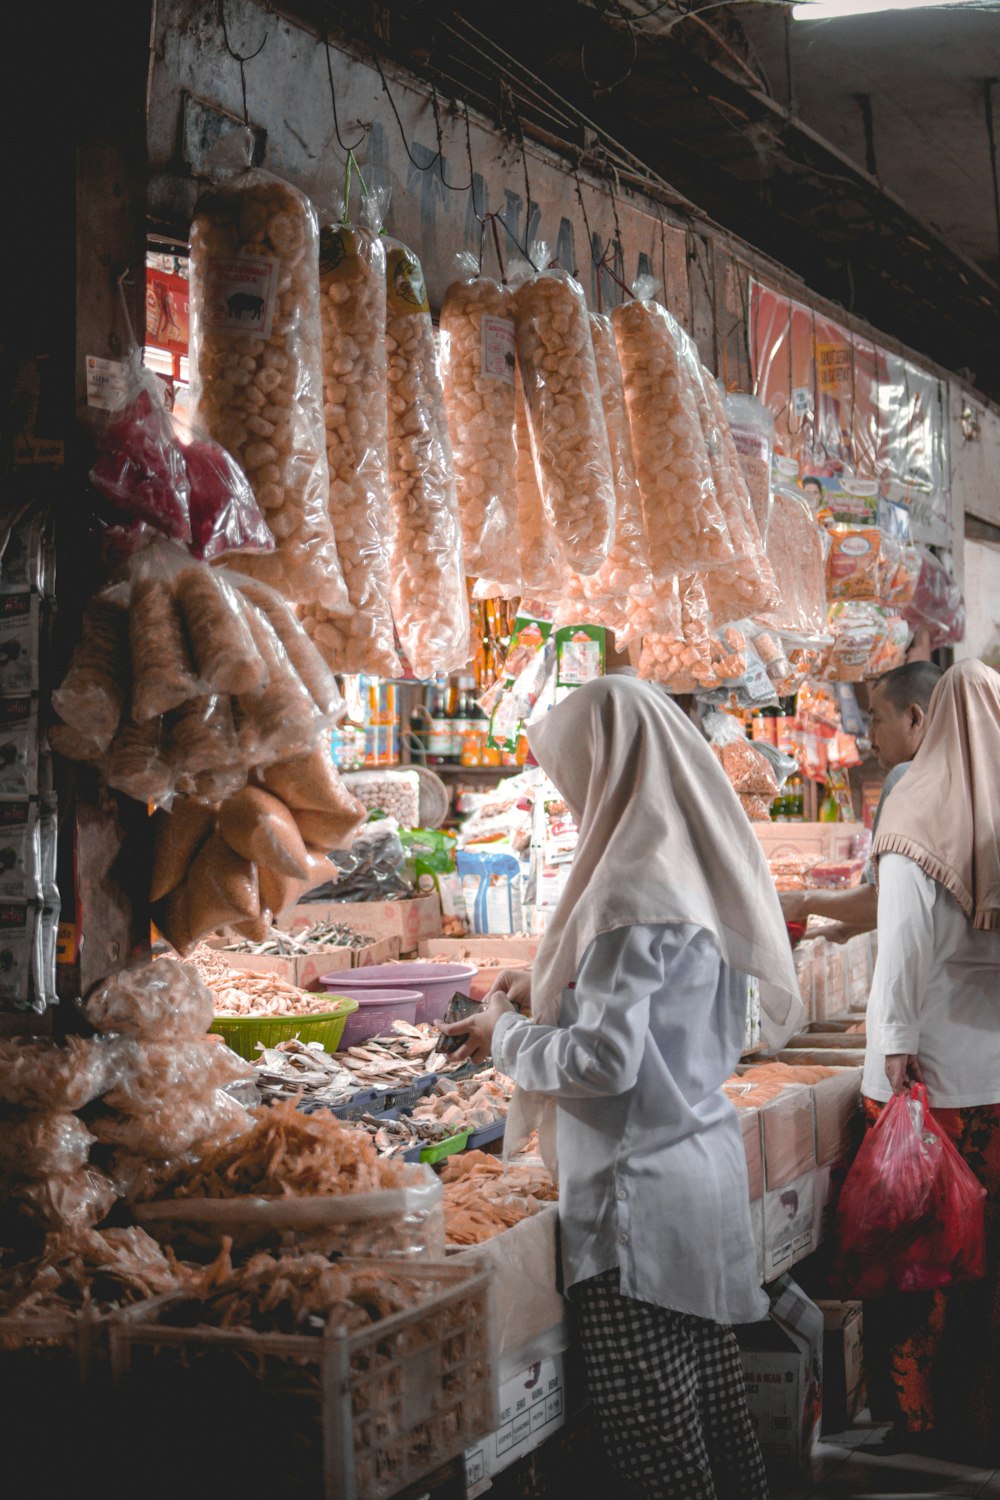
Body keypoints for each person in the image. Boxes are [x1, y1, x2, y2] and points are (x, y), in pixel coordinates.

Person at [440, 675, 804, 1500]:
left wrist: (506, 1036)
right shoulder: (685, 865)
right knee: (717, 1422)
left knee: (659, 1457)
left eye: (574, 779)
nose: (572, 802)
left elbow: (606, 1063)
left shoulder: (626, 891)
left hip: (636, 1208)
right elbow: (654, 1012)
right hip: (700, 1176)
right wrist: (552, 991)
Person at [860, 659, 1000, 1459]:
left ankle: (925, 1427)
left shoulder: (919, 806)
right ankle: (984, 1419)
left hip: (937, 1084)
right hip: (997, 1085)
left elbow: (902, 956)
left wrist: (888, 1064)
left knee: (927, 1262)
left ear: (932, 719)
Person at [779, 661, 942, 939]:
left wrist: (802, 902)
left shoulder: (907, 778)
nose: (870, 736)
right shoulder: (960, 772)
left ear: (915, 718)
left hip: (936, 973)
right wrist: (842, 930)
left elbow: (882, 899)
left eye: (876, 719)